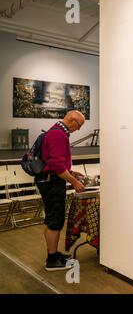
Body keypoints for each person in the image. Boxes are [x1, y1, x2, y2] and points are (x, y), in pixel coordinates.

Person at [36, 110, 86, 271]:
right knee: (55, 221)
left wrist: (71, 172)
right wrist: (75, 182)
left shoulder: (55, 131)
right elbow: (56, 166)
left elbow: (55, 162)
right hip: (52, 182)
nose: (78, 129)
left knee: (53, 219)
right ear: (72, 120)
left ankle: (54, 253)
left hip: (50, 180)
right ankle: (52, 260)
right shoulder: (59, 135)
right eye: (79, 126)